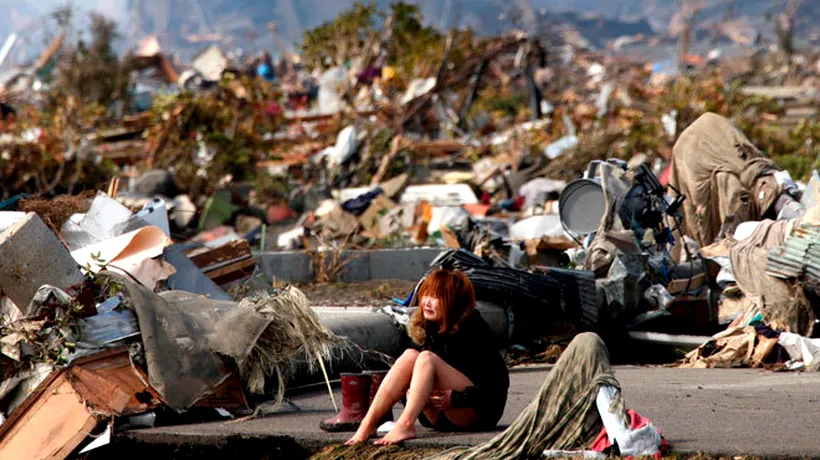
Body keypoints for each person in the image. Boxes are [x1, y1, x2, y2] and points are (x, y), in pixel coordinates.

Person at [346, 269, 509, 445]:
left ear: (453, 302)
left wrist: (455, 398)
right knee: (410, 356)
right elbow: (406, 379)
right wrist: (410, 393)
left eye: (436, 297)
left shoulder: (474, 330)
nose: (426, 302)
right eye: (426, 295)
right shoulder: (425, 328)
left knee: (426, 358)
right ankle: (368, 423)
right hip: (436, 416)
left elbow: (498, 384)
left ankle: (406, 424)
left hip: (474, 414)